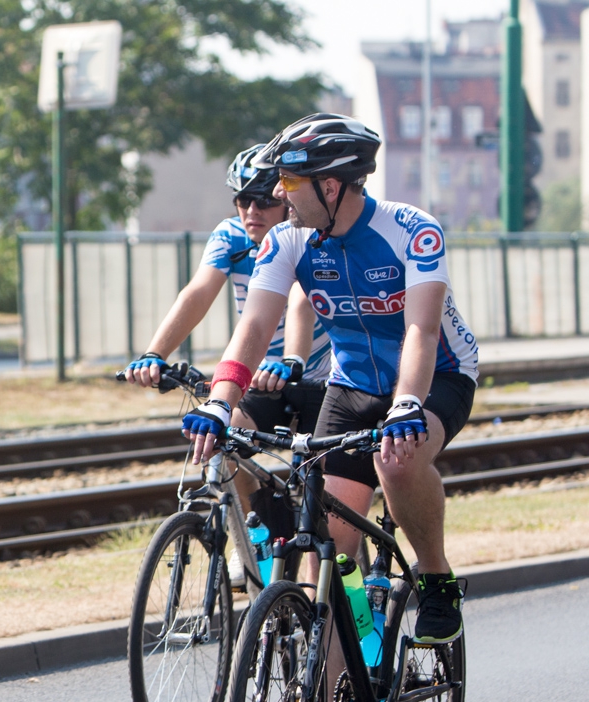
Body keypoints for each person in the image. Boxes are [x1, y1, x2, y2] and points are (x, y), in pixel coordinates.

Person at [181, 114, 478, 644]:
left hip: (435, 377)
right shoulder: (288, 241)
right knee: (333, 552)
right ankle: (337, 700)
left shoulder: (411, 230)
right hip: (353, 383)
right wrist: (221, 403)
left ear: (332, 186)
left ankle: (436, 577)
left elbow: (422, 332)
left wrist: (407, 403)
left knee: (397, 460)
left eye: (289, 182)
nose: (276, 193)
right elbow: (252, 329)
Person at [124, 145, 331, 538]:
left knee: (322, 496)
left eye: (262, 201)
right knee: (221, 441)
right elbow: (198, 292)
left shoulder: (305, 234)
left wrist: (291, 360)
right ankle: (253, 537)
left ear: (285, 199)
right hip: (258, 377)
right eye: (241, 200)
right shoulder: (231, 235)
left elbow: (301, 301)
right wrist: (155, 353)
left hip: (317, 377)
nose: (251, 211)